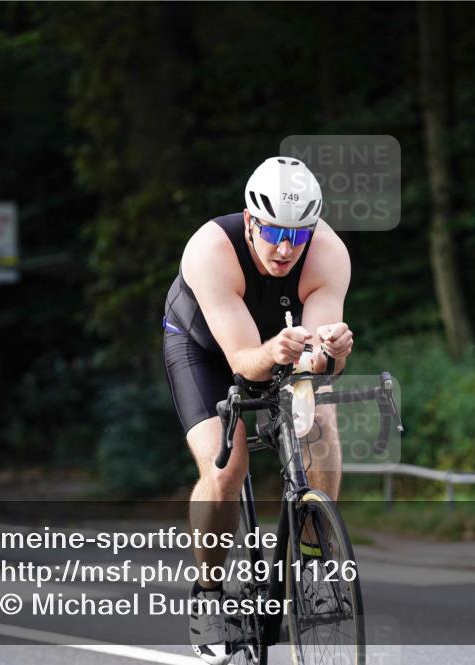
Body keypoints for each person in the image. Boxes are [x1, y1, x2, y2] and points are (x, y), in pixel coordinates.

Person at [162, 157, 353, 664]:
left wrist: (333, 353)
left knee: (321, 419)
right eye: (272, 232)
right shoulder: (210, 251)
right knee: (227, 465)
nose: (285, 248)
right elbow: (245, 363)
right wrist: (277, 354)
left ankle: (315, 562)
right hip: (205, 350)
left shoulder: (328, 254)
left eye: (298, 235)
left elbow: (317, 364)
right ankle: (208, 593)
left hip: (279, 345)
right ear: (250, 221)